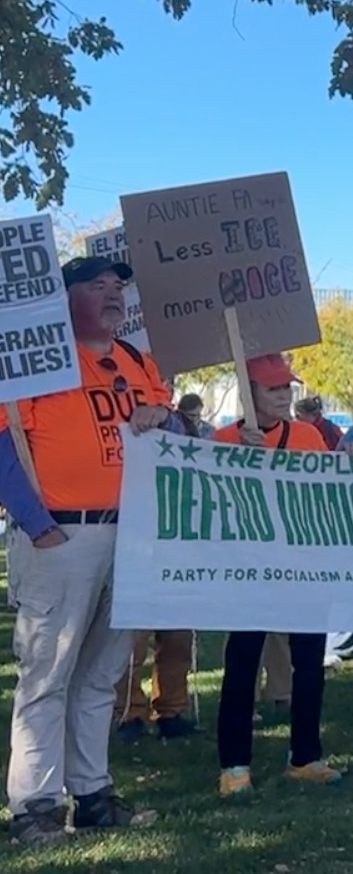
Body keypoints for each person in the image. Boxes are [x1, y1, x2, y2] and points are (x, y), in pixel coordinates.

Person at [1, 255, 177, 846]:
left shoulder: (135, 360)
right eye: (96, 285)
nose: (112, 294)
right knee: (47, 673)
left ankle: (92, 793)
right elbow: (3, 442)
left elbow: (175, 431)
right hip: (62, 535)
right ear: (66, 297)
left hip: (127, 533)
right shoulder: (37, 360)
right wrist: (36, 524)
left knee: (102, 673)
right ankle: (35, 805)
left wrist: (161, 415)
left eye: (117, 286)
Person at [211, 354, 343, 796]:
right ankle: (234, 765)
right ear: (249, 395)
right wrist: (239, 461)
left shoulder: (308, 436)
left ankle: (305, 756)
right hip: (249, 568)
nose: (284, 395)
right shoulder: (222, 441)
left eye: (287, 387)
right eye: (273, 389)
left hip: (304, 566)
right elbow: (212, 501)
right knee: (242, 662)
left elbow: (326, 495)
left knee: (309, 663)